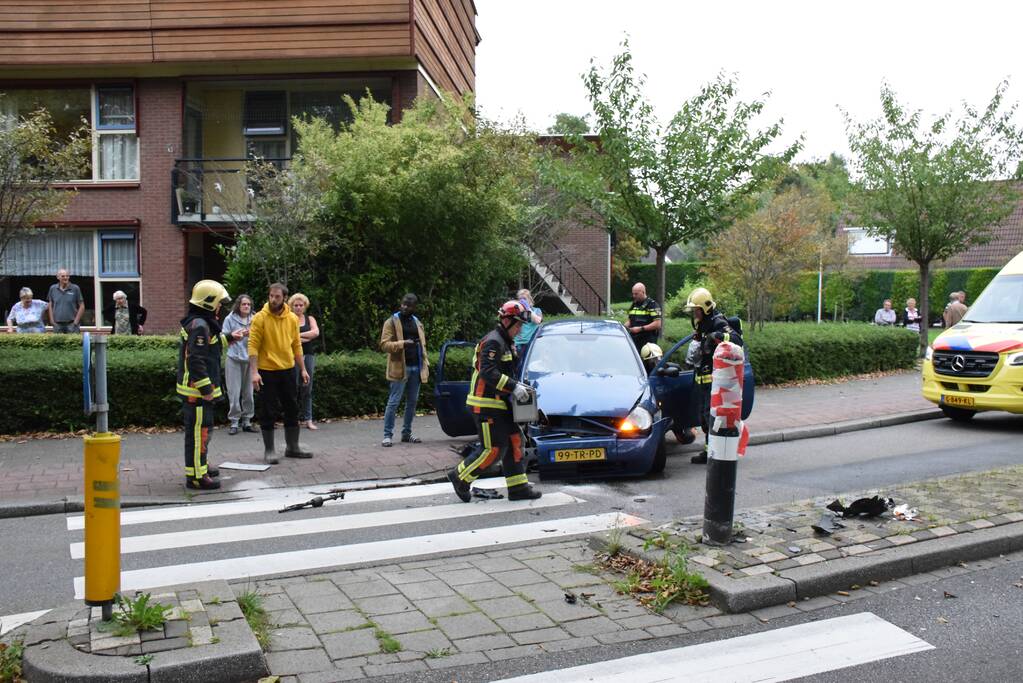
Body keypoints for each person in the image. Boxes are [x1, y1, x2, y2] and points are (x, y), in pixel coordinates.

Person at [447, 301, 541, 502]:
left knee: (516, 441)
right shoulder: (493, 342)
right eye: (518, 325)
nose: (520, 329)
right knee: (494, 449)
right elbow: (488, 372)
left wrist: (519, 388)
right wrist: (514, 387)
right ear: (506, 321)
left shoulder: (506, 342)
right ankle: (460, 477)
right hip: (486, 405)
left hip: (501, 405)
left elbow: (508, 371)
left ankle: (518, 488)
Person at [248, 282, 312, 464]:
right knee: (268, 410)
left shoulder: (292, 318)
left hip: (288, 370)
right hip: (266, 371)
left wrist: (303, 369)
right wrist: (254, 373)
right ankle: (269, 450)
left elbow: (296, 344)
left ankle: (293, 447)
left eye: (277, 296)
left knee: (292, 408)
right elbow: (252, 345)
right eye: (271, 296)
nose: (273, 299)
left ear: (284, 298)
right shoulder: (260, 318)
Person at [176, 280, 230, 490]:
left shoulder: (199, 322)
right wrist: (207, 390)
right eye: (218, 303)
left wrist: (230, 338)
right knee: (200, 433)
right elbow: (196, 360)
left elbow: (210, 348)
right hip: (197, 393)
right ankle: (197, 477)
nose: (220, 308)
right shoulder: (200, 326)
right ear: (209, 303)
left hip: (195, 392)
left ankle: (200, 467)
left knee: (200, 432)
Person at [684, 287, 742, 465]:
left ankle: (714, 453)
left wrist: (716, 336)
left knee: (712, 417)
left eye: (696, 310)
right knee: (703, 417)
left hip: (716, 382)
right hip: (704, 379)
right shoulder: (703, 324)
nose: (694, 314)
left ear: (705, 308)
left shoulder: (717, 322)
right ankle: (709, 451)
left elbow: (736, 339)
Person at [379, 293, 429, 447]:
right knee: (393, 402)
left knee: (412, 402)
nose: (405, 307)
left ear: (414, 307)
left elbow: (423, 345)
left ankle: (406, 434)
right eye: (403, 304)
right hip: (400, 367)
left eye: (409, 305)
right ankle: (387, 435)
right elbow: (384, 345)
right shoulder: (391, 322)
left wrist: (425, 362)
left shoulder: (417, 322)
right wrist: (402, 343)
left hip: (416, 366)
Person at [221, 294, 256, 436]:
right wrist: (234, 335)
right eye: (243, 304)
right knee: (234, 392)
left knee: (249, 393)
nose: (246, 306)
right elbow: (223, 337)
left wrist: (252, 333)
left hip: (250, 359)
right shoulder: (230, 318)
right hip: (234, 358)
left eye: (248, 304)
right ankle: (234, 422)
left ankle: (247, 421)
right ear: (238, 305)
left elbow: (261, 335)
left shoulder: (255, 318)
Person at [289, 293, 320, 430]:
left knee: (307, 388)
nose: (298, 307)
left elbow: (316, 332)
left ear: (305, 306)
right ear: (291, 306)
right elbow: (287, 338)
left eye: (301, 305)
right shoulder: (288, 319)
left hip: (308, 355)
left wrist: (298, 337)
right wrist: (305, 338)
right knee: (293, 388)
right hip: (292, 356)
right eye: (296, 305)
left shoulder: (310, 318)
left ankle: (308, 419)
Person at [626, 282, 662, 352]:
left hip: (648, 344)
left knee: (646, 363)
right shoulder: (634, 304)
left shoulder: (652, 305)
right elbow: (630, 320)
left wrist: (640, 329)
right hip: (634, 341)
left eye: (636, 294)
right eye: (633, 293)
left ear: (643, 292)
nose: (634, 296)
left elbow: (657, 324)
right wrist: (622, 327)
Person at [47, 268, 84, 333]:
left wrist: (75, 322)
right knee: (58, 343)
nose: (65, 278)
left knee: (73, 343)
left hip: (71, 324)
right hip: (57, 324)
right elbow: (50, 305)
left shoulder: (75, 288)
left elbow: (82, 306)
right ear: (58, 277)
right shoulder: (53, 288)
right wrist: (52, 320)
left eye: (67, 276)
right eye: (63, 276)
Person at [513, 288, 543, 359]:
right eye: (520, 299)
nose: (522, 301)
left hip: (531, 343)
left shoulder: (537, 310)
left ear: (529, 299)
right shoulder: (518, 312)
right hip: (518, 344)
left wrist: (528, 308)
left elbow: (538, 320)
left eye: (524, 299)